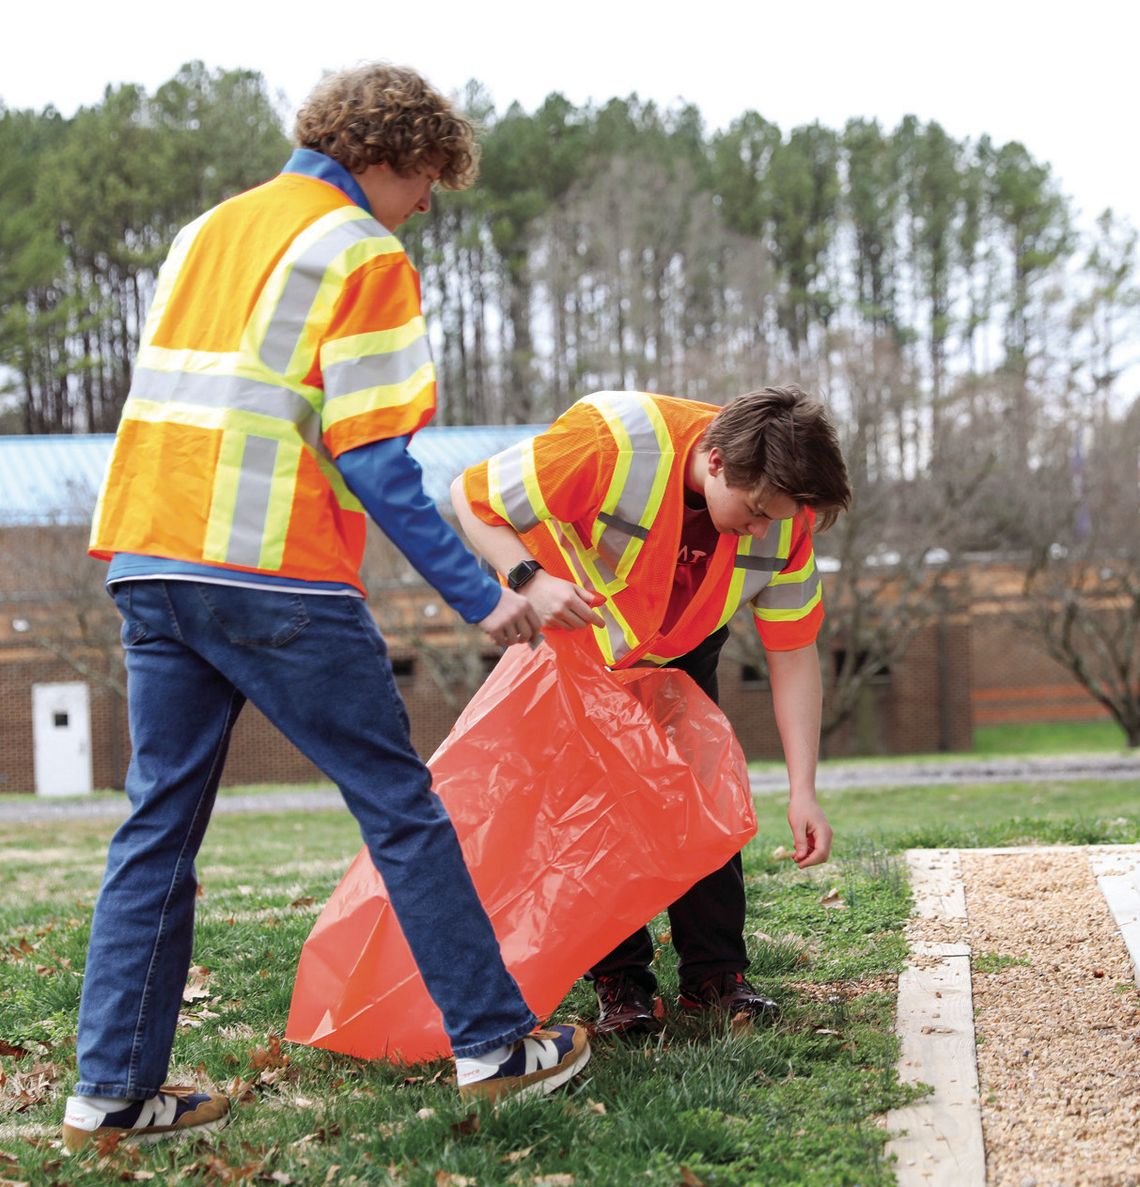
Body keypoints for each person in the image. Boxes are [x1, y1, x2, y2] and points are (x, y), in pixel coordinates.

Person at [63, 63, 588, 1155]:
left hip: (152, 557)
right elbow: (375, 456)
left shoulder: (211, 227)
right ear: (390, 156)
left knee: (156, 825)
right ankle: (496, 1044)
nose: (431, 202)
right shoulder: (361, 250)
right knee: (399, 803)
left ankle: (111, 1095)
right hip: (274, 570)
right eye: (431, 178)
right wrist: (481, 589)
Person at [452, 385, 851, 1036]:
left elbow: (794, 652)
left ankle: (716, 980)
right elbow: (470, 499)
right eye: (753, 512)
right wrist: (528, 577)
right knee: (593, 812)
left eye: (771, 520)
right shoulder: (612, 440)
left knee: (700, 796)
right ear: (716, 460)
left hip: (682, 649)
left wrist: (804, 789)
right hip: (584, 652)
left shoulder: (787, 516)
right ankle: (623, 988)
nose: (760, 530)